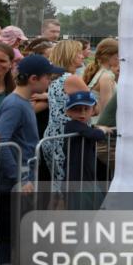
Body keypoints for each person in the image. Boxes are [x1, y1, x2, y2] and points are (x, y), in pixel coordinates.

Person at [0, 55, 62, 264]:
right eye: (48, 77)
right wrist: (18, 176)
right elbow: (0, 142)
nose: (50, 82)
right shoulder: (15, 105)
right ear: (34, 78)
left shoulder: (21, 102)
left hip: (16, 184)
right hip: (6, 187)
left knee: (15, 239)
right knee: (2, 242)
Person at [43, 40, 91, 197]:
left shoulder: (55, 78)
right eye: (78, 52)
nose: (82, 55)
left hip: (54, 136)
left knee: (58, 189)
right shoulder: (72, 79)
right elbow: (93, 107)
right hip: (67, 139)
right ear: (70, 55)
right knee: (66, 192)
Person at [62, 91, 106, 210]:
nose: (82, 113)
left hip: (87, 178)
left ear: (93, 110)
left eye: (86, 109)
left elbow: (89, 131)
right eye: (77, 109)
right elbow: (95, 135)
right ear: (68, 112)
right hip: (77, 180)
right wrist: (103, 131)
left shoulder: (84, 127)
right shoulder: (72, 125)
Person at [84, 38, 119, 121]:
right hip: (100, 125)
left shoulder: (99, 71)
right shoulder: (107, 76)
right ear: (110, 55)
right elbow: (107, 109)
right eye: (118, 55)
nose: (120, 58)